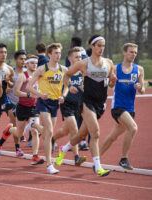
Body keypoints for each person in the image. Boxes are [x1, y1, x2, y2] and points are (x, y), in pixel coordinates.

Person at [55, 35, 117, 177]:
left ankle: (63, 149)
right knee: (95, 133)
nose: (101, 48)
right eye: (99, 45)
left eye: (103, 46)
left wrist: (113, 81)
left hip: (101, 103)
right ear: (92, 46)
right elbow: (67, 75)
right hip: (86, 102)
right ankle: (97, 167)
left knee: (81, 135)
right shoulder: (83, 63)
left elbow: (111, 84)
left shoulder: (109, 63)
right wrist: (69, 86)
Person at [100, 43, 145, 170]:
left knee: (113, 137)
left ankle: (96, 158)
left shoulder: (139, 69)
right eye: (131, 52)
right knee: (133, 128)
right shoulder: (115, 68)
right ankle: (124, 159)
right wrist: (112, 81)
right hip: (118, 107)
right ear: (124, 52)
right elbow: (110, 86)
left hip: (130, 108)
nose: (133, 55)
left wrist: (139, 87)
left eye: (135, 52)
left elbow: (142, 90)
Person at [26, 43, 68, 174]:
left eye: (59, 53)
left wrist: (63, 95)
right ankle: (49, 163)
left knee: (48, 134)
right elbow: (29, 87)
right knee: (49, 132)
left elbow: (66, 86)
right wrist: (40, 95)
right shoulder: (42, 69)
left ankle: (34, 124)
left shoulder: (64, 70)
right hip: (43, 102)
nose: (58, 56)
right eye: (55, 53)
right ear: (49, 54)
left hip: (55, 103)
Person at [51, 48, 87, 166]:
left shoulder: (83, 72)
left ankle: (52, 139)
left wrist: (84, 88)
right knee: (75, 130)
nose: (79, 59)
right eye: (76, 57)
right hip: (67, 104)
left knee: (66, 131)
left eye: (80, 57)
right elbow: (56, 84)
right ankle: (76, 157)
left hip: (79, 105)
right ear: (70, 59)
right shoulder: (65, 71)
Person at [13, 54, 45, 165]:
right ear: (27, 64)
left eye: (36, 63)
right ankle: (8, 130)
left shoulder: (39, 76)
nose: (35, 65)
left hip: (34, 108)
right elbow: (16, 92)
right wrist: (28, 95)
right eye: (32, 63)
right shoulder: (23, 76)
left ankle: (35, 156)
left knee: (35, 131)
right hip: (22, 107)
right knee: (18, 133)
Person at [0, 49, 27, 155]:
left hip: (22, 102)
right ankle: (18, 148)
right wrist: (8, 87)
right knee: (15, 124)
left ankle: (1, 141)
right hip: (9, 100)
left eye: (24, 59)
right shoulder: (10, 71)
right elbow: (7, 86)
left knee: (17, 127)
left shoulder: (28, 73)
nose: (23, 61)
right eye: (21, 59)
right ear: (15, 60)